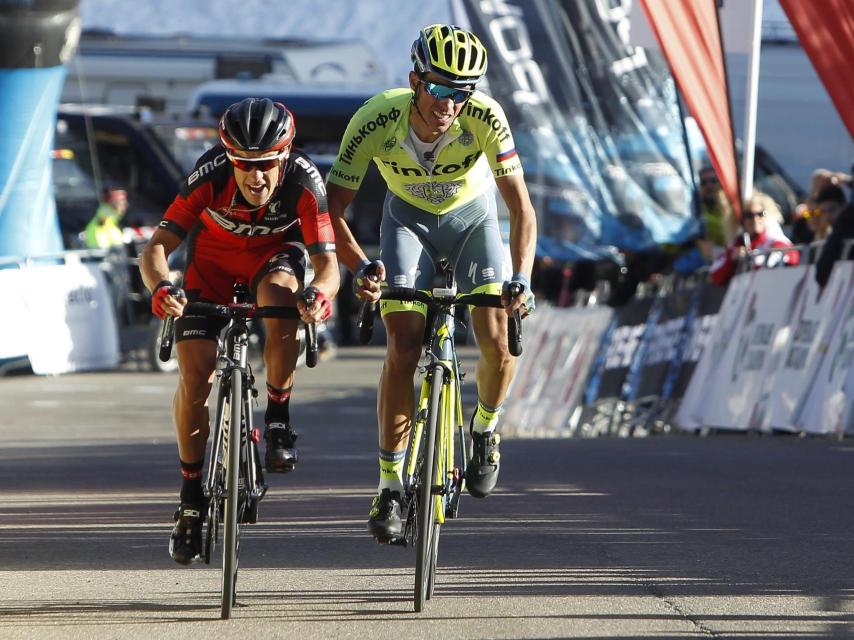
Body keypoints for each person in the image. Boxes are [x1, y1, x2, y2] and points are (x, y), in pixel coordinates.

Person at [325, 24, 537, 542]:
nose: (449, 103)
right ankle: (390, 484)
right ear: (415, 80)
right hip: (408, 222)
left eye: (461, 92)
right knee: (401, 345)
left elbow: (521, 210)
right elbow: (330, 210)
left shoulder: (485, 116)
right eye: (440, 88)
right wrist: (360, 267)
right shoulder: (376, 118)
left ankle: (485, 428)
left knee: (494, 337)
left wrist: (521, 279)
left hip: (473, 221)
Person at [139, 97, 339, 565]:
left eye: (267, 164)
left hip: (274, 261)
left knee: (279, 296)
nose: (256, 177)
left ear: (284, 157)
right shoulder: (208, 175)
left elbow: (327, 264)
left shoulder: (304, 182)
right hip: (209, 269)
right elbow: (156, 249)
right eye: (244, 166)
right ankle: (190, 500)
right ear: (229, 158)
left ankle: (277, 418)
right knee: (195, 380)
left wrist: (321, 295)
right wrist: (161, 289)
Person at [710, 191, 799, 286]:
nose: (755, 219)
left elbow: (781, 266)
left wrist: (749, 261)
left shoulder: (777, 242)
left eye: (760, 214)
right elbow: (714, 274)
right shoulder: (736, 245)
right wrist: (731, 260)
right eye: (749, 215)